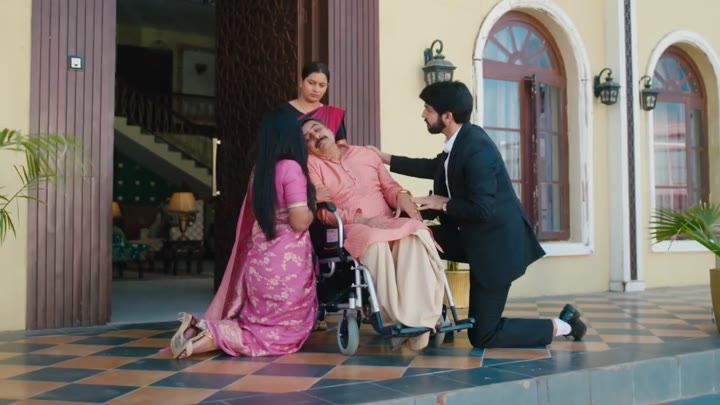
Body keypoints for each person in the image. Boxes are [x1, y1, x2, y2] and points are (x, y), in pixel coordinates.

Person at [367, 81, 586, 349]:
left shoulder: (476, 148)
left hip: (497, 248)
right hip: (471, 238)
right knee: (415, 236)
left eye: (428, 109)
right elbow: (434, 167)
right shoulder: (460, 142)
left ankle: (564, 325)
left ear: (447, 116)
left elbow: (483, 209)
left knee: (483, 335)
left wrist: (442, 203)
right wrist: (383, 158)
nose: (423, 114)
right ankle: (429, 316)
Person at [168, 111, 318, 359]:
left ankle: (199, 332)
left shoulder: (259, 171)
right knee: (283, 335)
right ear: (291, 137)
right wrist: (314, 207)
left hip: (259, 265)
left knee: (259, 324)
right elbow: (299, 221)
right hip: (286, 267)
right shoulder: (291, 168)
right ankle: (207, 336)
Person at [300, 108, 446, 351]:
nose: (315, 136)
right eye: (308, 138)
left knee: (416, 232)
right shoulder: (311, 165)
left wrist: (402, 196)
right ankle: (396, 320)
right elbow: (323, 212)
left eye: (317, 129)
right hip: (354, 227)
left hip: (387, 220)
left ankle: (421, 317)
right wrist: (363, 220)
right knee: (375, 240)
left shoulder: (365, 154)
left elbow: (389, 187)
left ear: (329, 130)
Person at [276, 61, 348, 144]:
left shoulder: (332, 115)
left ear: (327, 87)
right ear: (301, 82)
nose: (316, 89)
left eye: (321, 85)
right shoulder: (283, 112)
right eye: (311, 83)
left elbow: (342, 148)